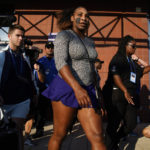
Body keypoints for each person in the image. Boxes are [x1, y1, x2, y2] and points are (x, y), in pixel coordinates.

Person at [42, 6, 106, 150]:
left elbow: (92, 69)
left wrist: (98, 94)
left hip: (88, 89)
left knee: (97, 136)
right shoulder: (64, 35)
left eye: (86, 16)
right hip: (66, 87)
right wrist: (77, 88)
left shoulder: (90, 42)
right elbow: (60, 62)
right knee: (60, 134)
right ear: (72, 17)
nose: (84, 18)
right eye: (80, 15)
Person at [102, 35, 150, 150]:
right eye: (133, 46)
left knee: (131, 124)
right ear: (125, 45)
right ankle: (109, 146)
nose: (135, 48)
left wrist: (138, 59)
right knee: (114, 123)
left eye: (136, 46)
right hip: (118, 94)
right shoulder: (118, 58)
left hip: (131, 95)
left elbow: (143, 70)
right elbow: (115, 76)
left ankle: (114, 141)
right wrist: (124, 90)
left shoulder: (132, 62)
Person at [0, 24, 36, 150]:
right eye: (18, 35)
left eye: (22, 36)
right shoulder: (2, 55)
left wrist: (34, 93)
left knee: (17, 128)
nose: (21, 38)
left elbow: (31, 78)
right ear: (9, 36)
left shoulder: (25, 57)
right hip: (4, 101)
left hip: (21, 100)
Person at [32, 41, 58, 138]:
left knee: (56, 111)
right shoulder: (40, 61)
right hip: (44, 89)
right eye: (48, 47)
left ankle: (58, 130)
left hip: (56, 90)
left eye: (52, 47)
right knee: (41, 111)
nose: (50, 49)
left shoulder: (58, 60)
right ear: (45, 48)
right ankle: (39, 130)